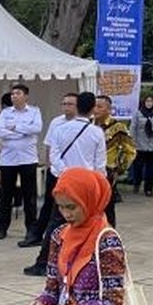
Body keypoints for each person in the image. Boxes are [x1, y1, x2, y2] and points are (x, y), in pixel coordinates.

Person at [25, 167, 126, 305]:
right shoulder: (59, 236)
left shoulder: (107, 242)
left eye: (71, 207)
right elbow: (53, 289)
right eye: (60, 207)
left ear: (90, 201)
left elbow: (113, 304)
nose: (66, 214)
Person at [25, 92, 107, 277]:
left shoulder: (60, 129)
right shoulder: (96, 133)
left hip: (65, 182)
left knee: (56, 222)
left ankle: (43, 262)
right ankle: (88, 261)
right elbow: (100, 165)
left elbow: (54, 156)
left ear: (77, 107)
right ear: (92, 109)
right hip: (88, 185)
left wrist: (67, 175)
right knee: (88, 223)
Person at [21, 93, 79, 250]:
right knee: (49, 204)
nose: (66, 107)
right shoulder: (56, 122)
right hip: (56, 172)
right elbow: (49, 146)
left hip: (74, 173)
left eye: (70, 104)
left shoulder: (84, 125)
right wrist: (49, 166)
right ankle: (36, 235)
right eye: (64, 104)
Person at [0, 84, 44, 241]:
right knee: (6, 195)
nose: (14, 96)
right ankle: (2, 228)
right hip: (8, 159)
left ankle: (31, 228)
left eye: (18, 93)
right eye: (12, 93)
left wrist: (15, 127)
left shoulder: (34, 111)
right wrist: (22, 131)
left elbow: (37, 128)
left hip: (28, 158)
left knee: (29, 196)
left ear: (26, 96)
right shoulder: (5, 113)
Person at [94, 95, 135, 226]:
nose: (96, 109)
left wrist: (119, 169)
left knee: (107, 207)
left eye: (100, 107)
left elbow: (130, 151)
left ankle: (109, 232)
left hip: (108, 171)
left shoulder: (118, 127)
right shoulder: (88, 125)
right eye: (94, 106)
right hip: (89, 171)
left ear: (109, 109)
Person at [130, 95, 153, 196]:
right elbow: (133, 128)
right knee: (138, 166)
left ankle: (149, 188)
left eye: (151, 101)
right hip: (140, 144)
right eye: (147, 101)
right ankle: (137, 183)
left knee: (151, 168)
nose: (149, 103)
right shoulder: (138, 113)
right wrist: (132, 141)